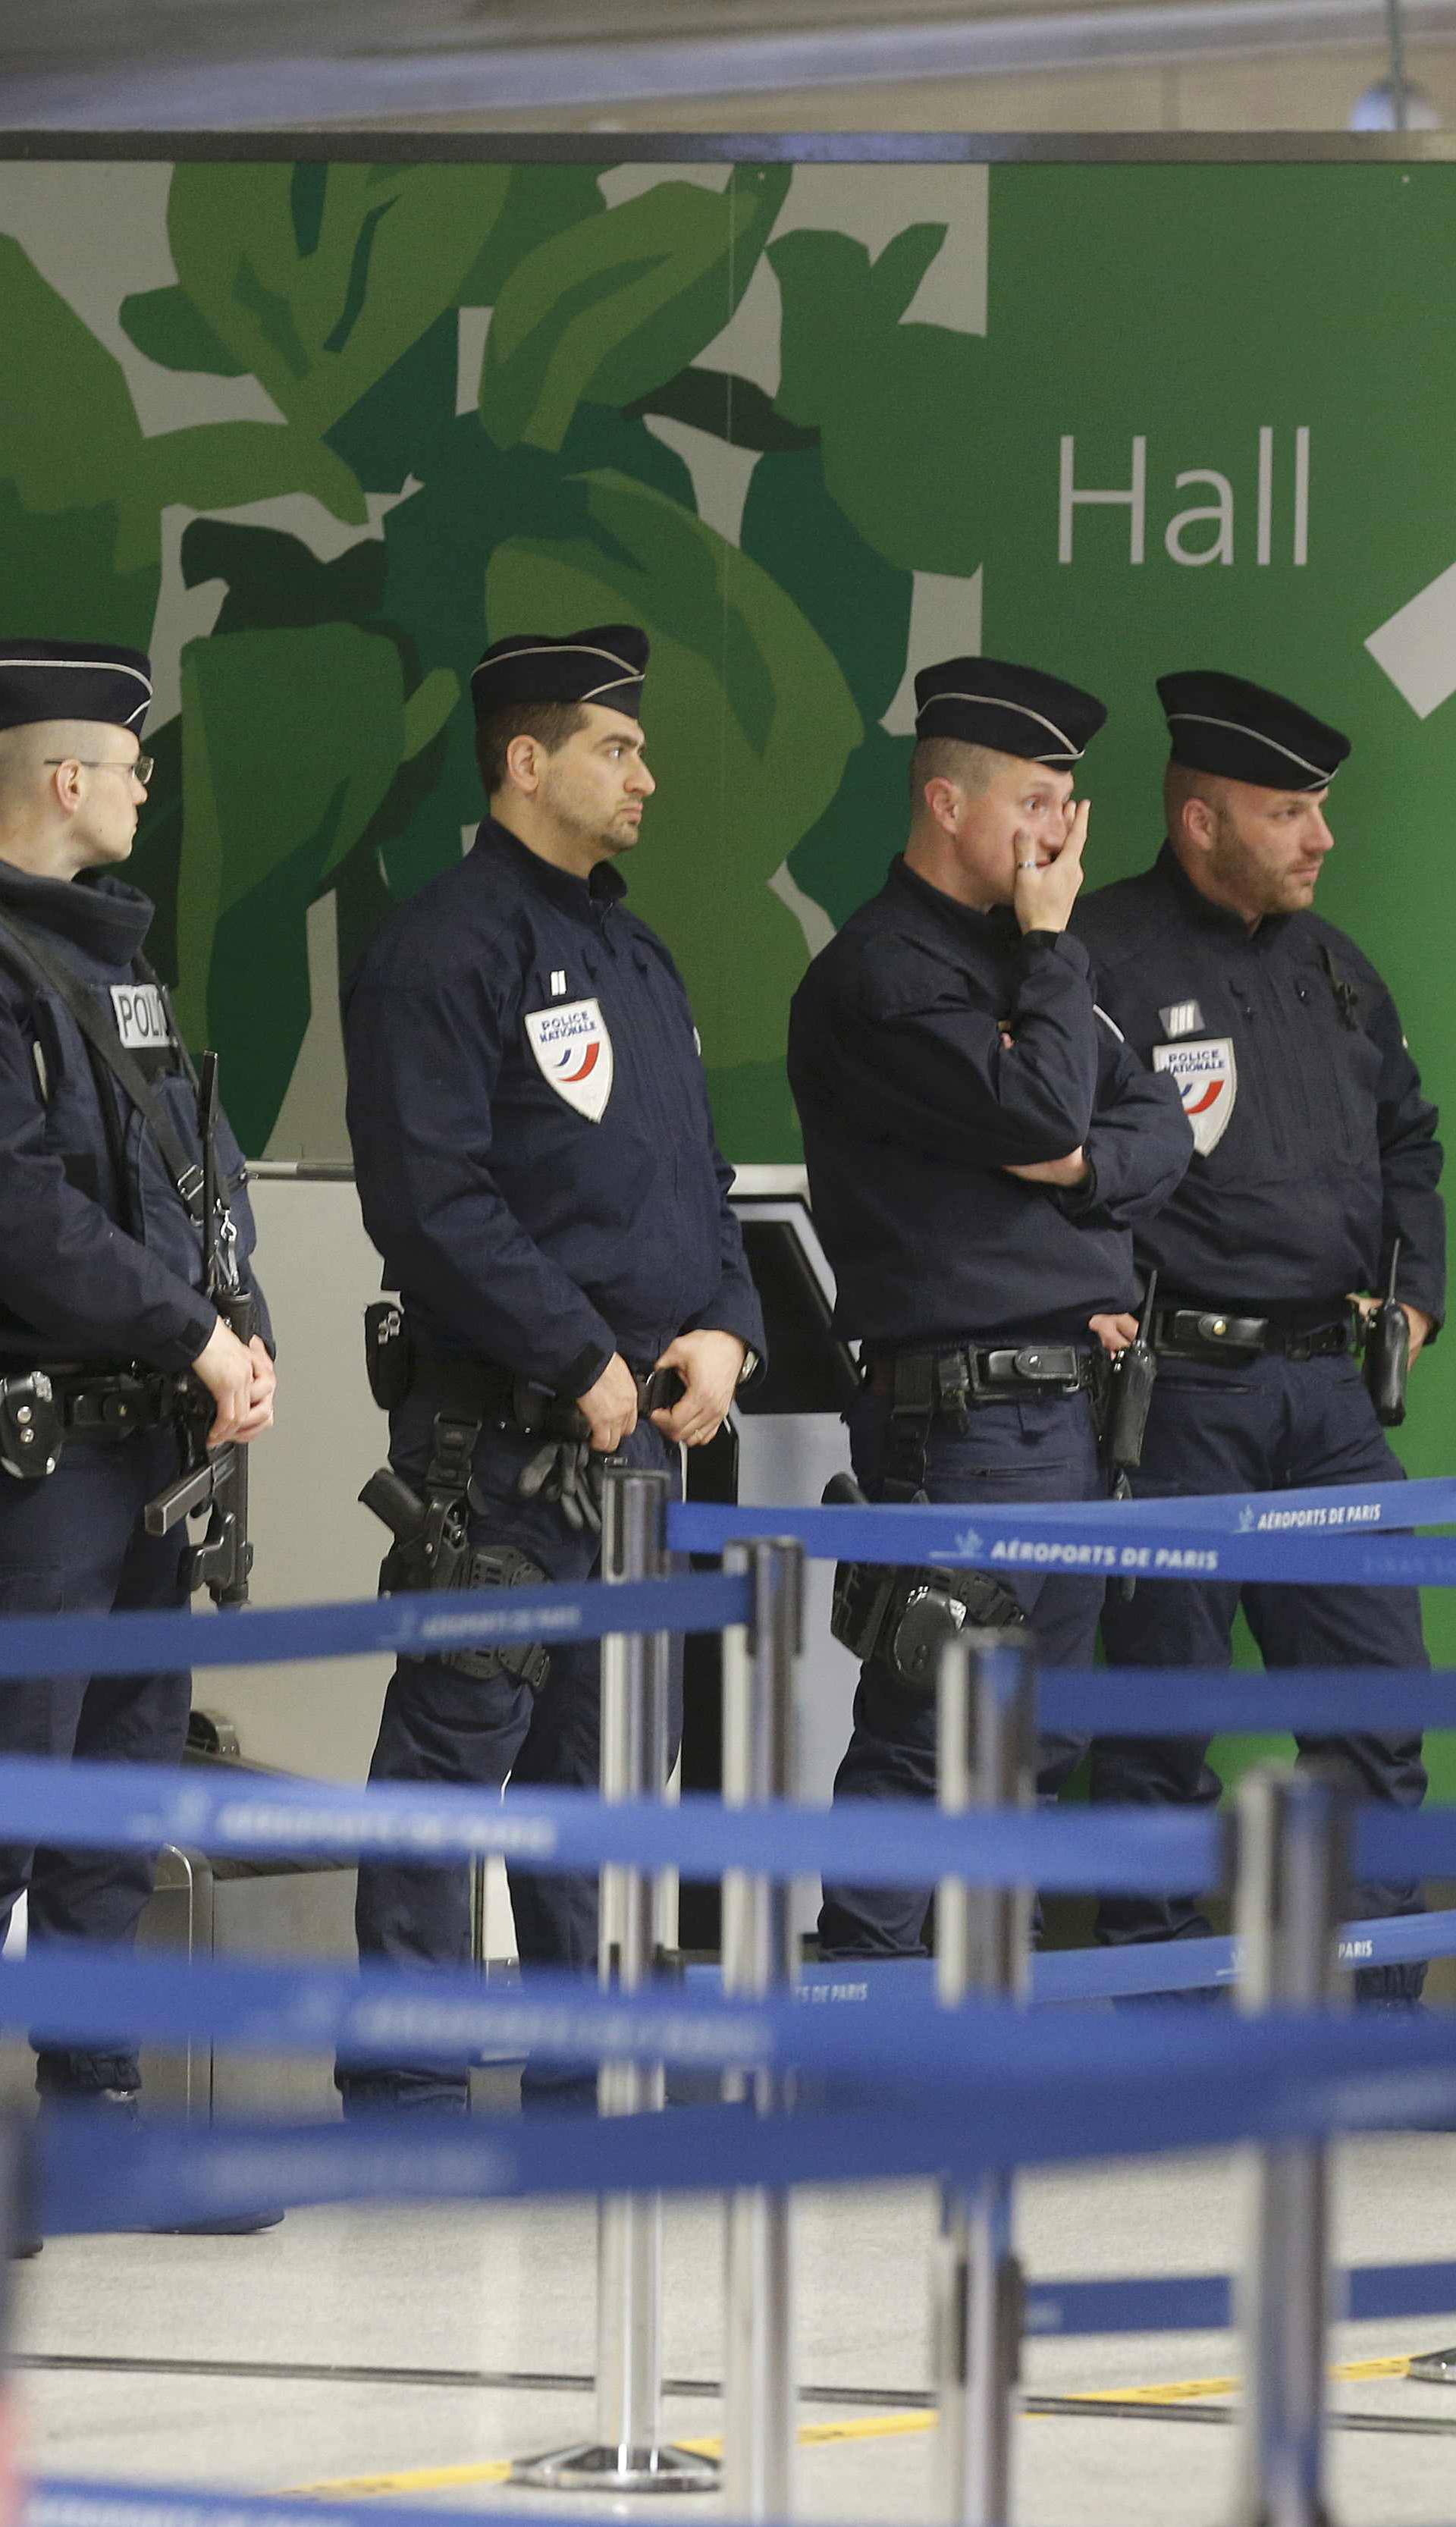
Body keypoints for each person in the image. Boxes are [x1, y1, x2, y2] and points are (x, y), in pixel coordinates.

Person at [339, 623, 765, 2113]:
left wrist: (726, 1326)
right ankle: (404, 2069)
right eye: (617, 745)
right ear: (528, 761)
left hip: (635, 1446)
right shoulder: (445, 946)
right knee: (460, 1751)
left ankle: (593, 2059)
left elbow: (696, 1180)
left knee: (605, 1766)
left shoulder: (637, 954)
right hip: (511, 1440)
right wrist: (580, 1355)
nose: (646, 771)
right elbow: (429, 1197)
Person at [786, 655, 1193, 1960]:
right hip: (960, 1420)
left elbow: (1158, 1126)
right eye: (1036, 802)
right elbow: (1035, 1104)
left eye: (1069, 807)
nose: (1060, 837)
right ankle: (862, 2033)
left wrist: (1071, 1161)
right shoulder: (885, 972)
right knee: (928, 1731)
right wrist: (1051, 991)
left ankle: (978, 2037)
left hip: (1073, 1419)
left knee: (1037, 1744)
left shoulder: (1033, 971)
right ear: (948, 801)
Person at [1075, 670, 1443, 1998]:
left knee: (1375, 1718)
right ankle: (1159, 2024)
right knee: (1160, 1728)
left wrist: (1414, 1296)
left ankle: (1378, 2022)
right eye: (1291, 812)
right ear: (1201, 821)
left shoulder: (1340, 971)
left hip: (1330, 1401)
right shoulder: (1099, 958)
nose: (1322, 838)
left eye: (1321, 811)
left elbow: (1412, 1141)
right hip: (1179, 1394)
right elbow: (1048, 1152)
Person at [0, 639, 275, 2116]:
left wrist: (251, 1327)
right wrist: (194, 1333)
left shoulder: (120, 967)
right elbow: (23, 1214)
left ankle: (90, 2101)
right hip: (38, 1465)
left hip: (151, 1455)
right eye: (126, 762)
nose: (144, 782)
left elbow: (200, 1174)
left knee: (118, 1790)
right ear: (63, 778)